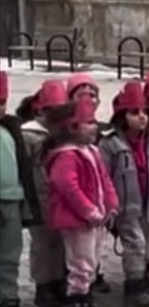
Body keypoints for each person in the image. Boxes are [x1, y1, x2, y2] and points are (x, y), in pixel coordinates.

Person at [100, 82, 149, 307]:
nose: (142, 117)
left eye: (144, 111)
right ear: (122, 116)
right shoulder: (110, 144)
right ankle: (134, 287)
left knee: (147, 245)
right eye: (135, 113)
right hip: (125, 207)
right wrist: (108, 204)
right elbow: (103, 175)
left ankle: (141, 278)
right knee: (136, 244)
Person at [43, 97, 119, 307]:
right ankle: (77, 297)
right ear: (72, 128)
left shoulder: (92, 151)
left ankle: (84, 294)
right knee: (81, 262)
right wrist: (89, 211)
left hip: (96, 218)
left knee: (92, 260)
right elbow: (68, 187)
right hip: (77, 220)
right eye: (89, 122)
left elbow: (105, 180)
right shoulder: (66, 156)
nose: (95, 127)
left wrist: (112, 205)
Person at [22, 80, 71, 307]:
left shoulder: (64, 133)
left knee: (61, 243)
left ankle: (59, 281)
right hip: (38, 200)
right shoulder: (30, 135)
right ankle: (44, 286)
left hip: (60, 199)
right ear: (42, 110)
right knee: (42, 246)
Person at [1, 71, 43, 307]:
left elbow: (24, 171)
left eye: (1, 102)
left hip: (12, 202)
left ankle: (8, 296)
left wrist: (27, 205)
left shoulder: (11, 131)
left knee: (10, 254)